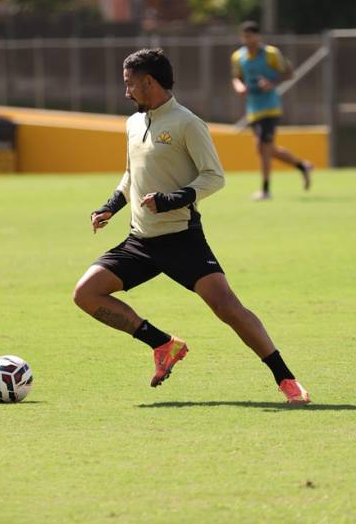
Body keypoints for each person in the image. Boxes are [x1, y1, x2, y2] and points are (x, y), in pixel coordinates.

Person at [73, 48, 311, 404]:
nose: (126, 92)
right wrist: (110, 207)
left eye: (130, 84)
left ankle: (286, 378)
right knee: (86, 294)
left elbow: (214, 177)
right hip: (140, 241)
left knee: (228, 308)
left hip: (181, 240)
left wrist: (172, 199)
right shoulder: (133, 123)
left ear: (149, 82)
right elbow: (131, 174)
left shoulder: (187, 123)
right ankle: (162, 344)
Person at [231, 21, 313, 200]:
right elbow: (237, 77)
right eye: (245, 37)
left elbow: (289, 73)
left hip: (270, 107)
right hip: (253, 108)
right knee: (266, 150)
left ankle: (266, 190)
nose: (248, 40)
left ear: (258, 36)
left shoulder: (271, 54)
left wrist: (272, 83)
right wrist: (239, 86)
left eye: (251, 36)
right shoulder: (238, 56)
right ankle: (302, 166)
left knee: (263, 148)